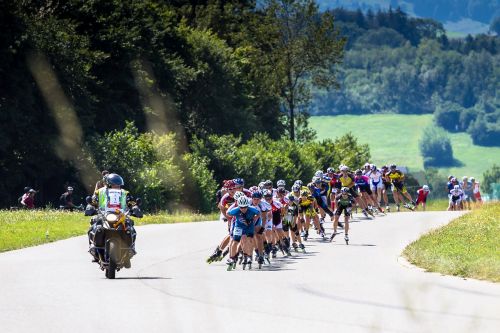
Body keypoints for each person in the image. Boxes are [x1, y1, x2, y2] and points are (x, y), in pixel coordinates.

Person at [88, 173, 139, 268]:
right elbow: (93, 201)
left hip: (121, 215)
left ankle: (128, 252)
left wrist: (135, 207)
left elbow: (131, 202)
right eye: (115, 184)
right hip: (104, 214)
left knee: (130, 228)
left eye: (119, 184)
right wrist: (90, 206)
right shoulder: (100, 192)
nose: (117, 186)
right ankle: (95, 250)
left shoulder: (125, 192)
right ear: (108, 184)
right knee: (95, 227)